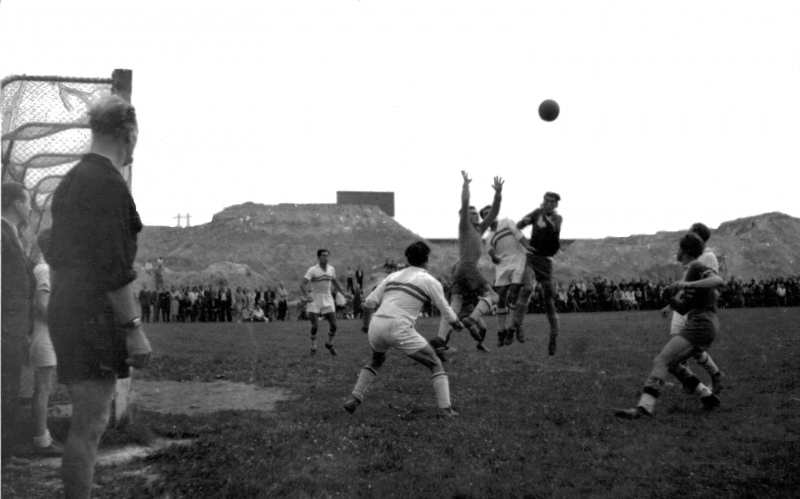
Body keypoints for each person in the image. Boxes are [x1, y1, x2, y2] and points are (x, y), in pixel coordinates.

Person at [45, 94, 152, 498]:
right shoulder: (107, 183)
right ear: (130, 134)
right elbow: (113, 268)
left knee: (86, 424)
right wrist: (134, 329)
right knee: (89, 426)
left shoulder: (71, 180)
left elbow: (54, 254)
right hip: (93, 312)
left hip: (68, 307)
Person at [344, 241, 464, 417]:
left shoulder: (392, 276)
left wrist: (365, 325)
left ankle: (354, 399)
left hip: (376, 325)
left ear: (408, 259)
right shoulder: (430, 281)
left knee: (376, 360)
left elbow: (369, 302)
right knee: (435, 363)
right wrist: (456, 323)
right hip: (398, 326)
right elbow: (445, 310)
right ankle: (446, 409)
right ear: (426, 259)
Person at [615, 233, 723, 419]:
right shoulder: (690, 270)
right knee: (672, 364)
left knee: (661, 361)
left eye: (679, 248)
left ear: (685, 251)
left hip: (702, 323)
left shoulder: (696, 267)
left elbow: (719, 281)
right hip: (703, 324)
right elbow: (683, 308)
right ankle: (707, 396)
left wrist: (687, 283)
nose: (677, 251)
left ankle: (644, 408)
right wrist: (670, 299)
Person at [430, 171, 502, 358]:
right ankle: (472, 319)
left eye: (476, 214)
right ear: (464, 217)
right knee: (492, 295)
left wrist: (498, 194)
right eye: (471, 214)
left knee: (454, 305)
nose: (476, 216)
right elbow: (464, 203)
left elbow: (493, 212)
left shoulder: (479, 229)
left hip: (460, 271)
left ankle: (440, 341)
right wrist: (466, 185)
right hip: (468, 268)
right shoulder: (465, 227)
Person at [661, 222, 724, 394]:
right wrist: (670, 304)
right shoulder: (691, 256)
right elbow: (684, 285)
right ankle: (687, 381)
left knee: (691, 348)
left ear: (700, 239)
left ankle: (715, 375)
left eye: (693, 234)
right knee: (680, 344)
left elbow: (712, 282)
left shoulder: (708, 257)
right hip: (684, 305)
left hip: (697, 308)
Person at [1, 182, 35, 459]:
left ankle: (7, 451)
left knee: (10, 385)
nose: (31, 207)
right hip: (6, 326)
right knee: (6, 387)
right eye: (28, 202)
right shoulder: (1, 233)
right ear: (16, 205)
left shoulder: (11, 232)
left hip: (14, 326)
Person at [27, 228, 63, 455]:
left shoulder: (45, 268)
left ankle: (44, 437)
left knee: (44, 388)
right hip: (44, 336)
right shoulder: (44, 269)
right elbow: (41, 305)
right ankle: (40, 441)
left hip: (46, 336)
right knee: (43, 389)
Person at [517, 191, 563, 355]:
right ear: (543, 201)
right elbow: (520, 225)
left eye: (552, 201)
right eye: (546, 200)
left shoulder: (557, 218)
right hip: (532, 257)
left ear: (556, 205)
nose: (548, 203)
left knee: (549, 300)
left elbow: (552, 228)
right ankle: (519, 325)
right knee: (528, 288)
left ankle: (553, 336)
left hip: (546, 260)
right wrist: (522, 223)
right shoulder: (537, 213)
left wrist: (542, 215)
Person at [484, 209, 532, 347]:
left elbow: (519, 235)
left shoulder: (506, 222)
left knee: (513, 296)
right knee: (500, 298)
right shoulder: (488, 238)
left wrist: (528, 246)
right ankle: (501, 331)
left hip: (518, 260)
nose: (489, 215)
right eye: (486, 214)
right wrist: (494, 257)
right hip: (503, 266)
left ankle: (513, 328)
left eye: (490, 212)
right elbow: (493, 256)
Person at [300, 249, 349, 356]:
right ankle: (313, 345)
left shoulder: (331, 269)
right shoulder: (312, 270)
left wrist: (343, 294)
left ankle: (329, 344)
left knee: (334, 325)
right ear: (318, 257)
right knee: (315, 326)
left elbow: (334, 282)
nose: (326, 257)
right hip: (314, 299)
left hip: (327, 298)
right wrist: (307, 295)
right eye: (323, 256)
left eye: (327, 256)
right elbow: (302, 284)